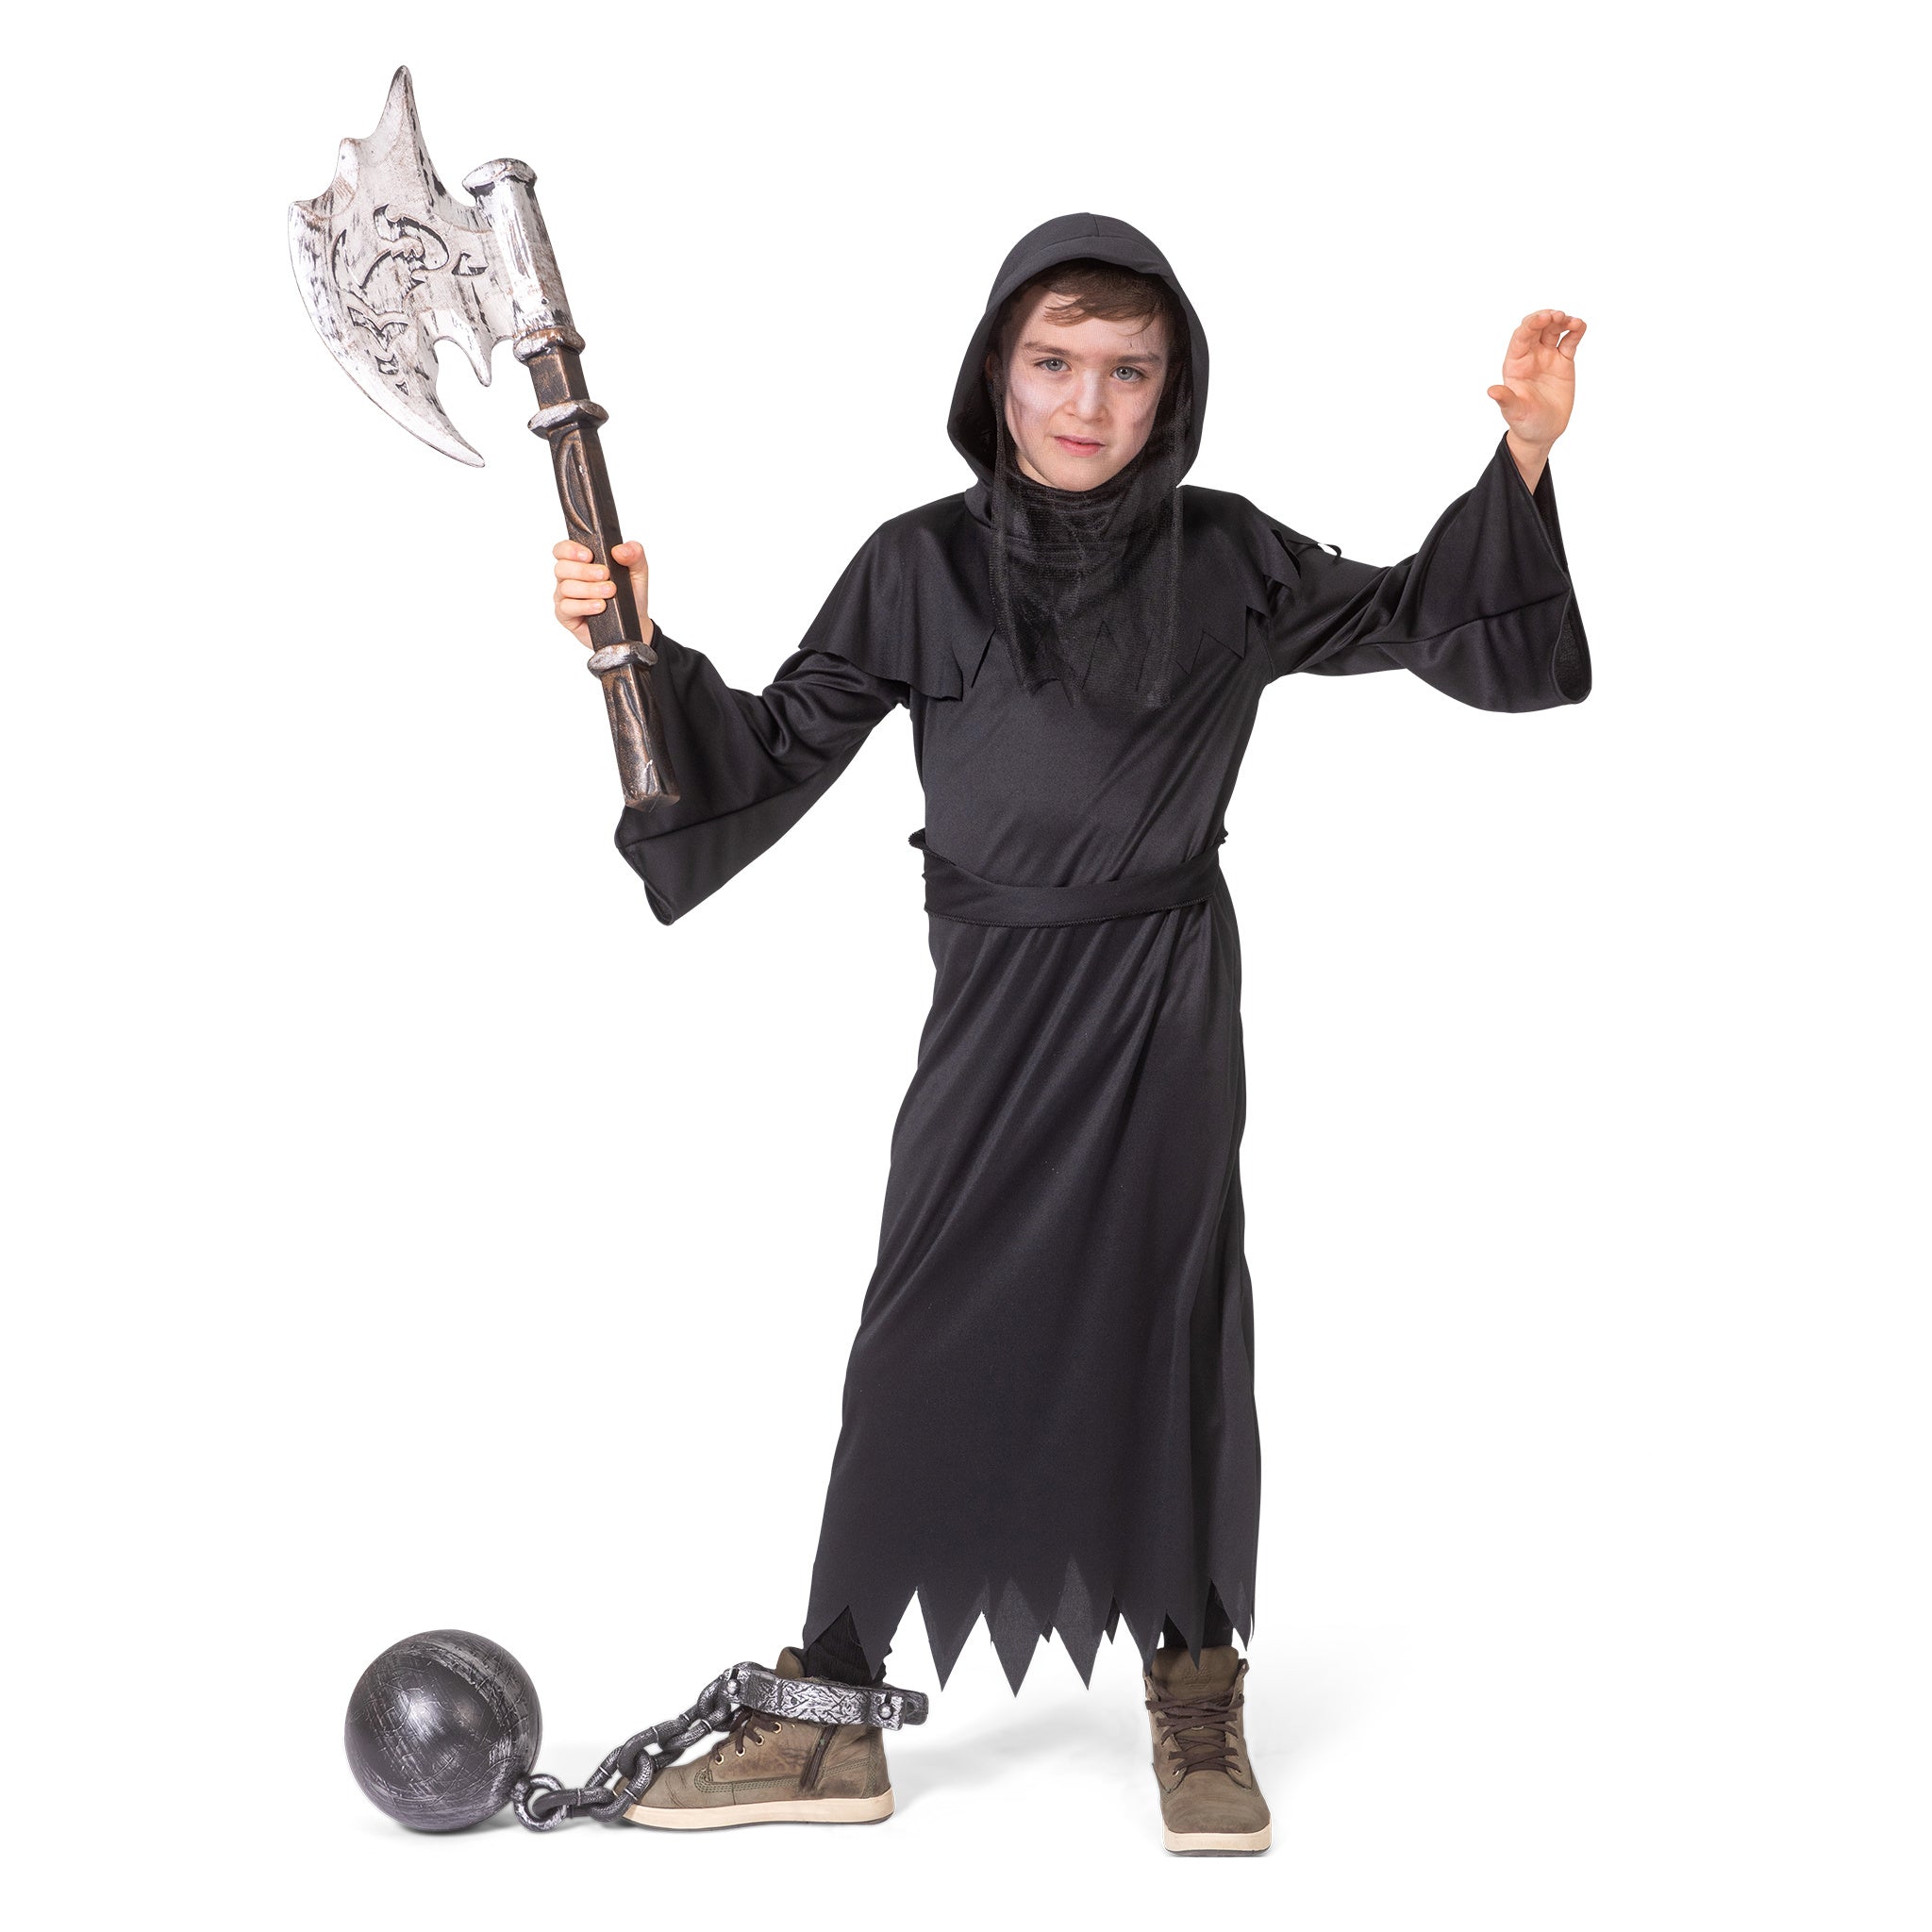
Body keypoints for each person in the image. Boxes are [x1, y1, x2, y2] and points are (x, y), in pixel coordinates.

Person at [546, 213, 1589, 1853]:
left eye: (1126, 370)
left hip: (1165, 1001)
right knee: (919, 1326)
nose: (1087, 404)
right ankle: (832, 1719)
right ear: (997, 374)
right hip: (994, 1003)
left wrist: (1520, 458)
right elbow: (763, 754)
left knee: (1173, 1323)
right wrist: (635, 650)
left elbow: (1423, 616)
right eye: (1053, 364)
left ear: (1173, 388)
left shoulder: (1230, 557)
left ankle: (1195, 1692)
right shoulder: (917, 567)